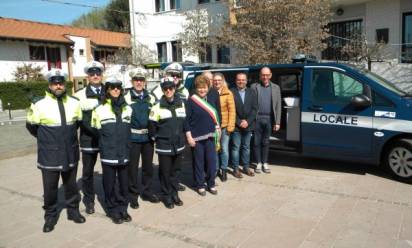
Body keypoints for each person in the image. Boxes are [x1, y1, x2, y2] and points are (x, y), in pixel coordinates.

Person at [26, 69, 85, 233]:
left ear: (64, 84)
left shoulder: (74, 102)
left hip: (70, 152)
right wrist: (47, 140)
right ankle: (50, 216)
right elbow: (31, 127)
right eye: (54, 83)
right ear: (49, 85)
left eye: (60, 82)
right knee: (50, 188)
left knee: (71, 185)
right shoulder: (38, 104)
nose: (58, 86)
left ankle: (73, 212)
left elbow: (77, 124)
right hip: (49, 154)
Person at [91, 77, 132, 224]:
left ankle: (123, 208)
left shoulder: (128, 108)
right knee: (109, 184)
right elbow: (95, 130)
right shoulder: (99, 109)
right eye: (112, 87)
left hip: (125, 153)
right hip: (109, 154)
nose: (116, 90)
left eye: (118, 87)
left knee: (124, 183)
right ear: (107, 90)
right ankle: (112, 210)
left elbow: (129, 130)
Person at [124, 68, 160, 209]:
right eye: (136, 80)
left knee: (147, 167)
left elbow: (156, 116)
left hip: (148, 138)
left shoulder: (151, 97)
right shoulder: (126, 97)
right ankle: (133, 195)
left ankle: (147, 191)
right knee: (132, 168)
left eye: (141, 80)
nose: (139, 82)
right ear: (132, 81)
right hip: (133, 138)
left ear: (145, 82)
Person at [149, 77, 186, 209]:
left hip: (179, 144)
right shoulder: (157, 107)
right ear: (163, 90)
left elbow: (184, 123)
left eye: (171, 88)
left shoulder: (181, 103)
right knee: (165, 172)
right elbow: (152, 126)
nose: (168, 90)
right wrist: (158, 138)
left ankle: (175, 193)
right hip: (164, 145)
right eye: (166, 89)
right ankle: (167, 196)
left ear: (175, 89)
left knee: (176, 171)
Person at [74, 61, 105, 215]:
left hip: (107, 140)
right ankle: (89, 201)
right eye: (92, 74)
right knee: (87, 173)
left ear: (101, 75)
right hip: (88, 140)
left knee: (110, 171)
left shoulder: (111, 91)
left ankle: (109, 197)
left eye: (98, 73)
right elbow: (76, 121)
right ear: (88, 76)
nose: (95, 76)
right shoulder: (79, 95)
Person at [185, 75, 219, 196]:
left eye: (204, 87)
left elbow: (215, 116)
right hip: (197, 138)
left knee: (211, 162)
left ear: (208, 88)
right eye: (199, 88)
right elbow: (186, 120)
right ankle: (200, 185)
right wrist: (189, 137)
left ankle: (211, 183)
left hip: (210, 136)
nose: (202, 90)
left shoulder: (210, 100)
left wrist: (217, 130)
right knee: (199, 163)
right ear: (196, 88)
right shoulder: (191, 101)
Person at [251, 67, 281, 173]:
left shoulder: (276, 88)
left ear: (270, 75)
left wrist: (277, 122)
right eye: (263, 75)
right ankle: (258, 163)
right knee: (256, 142)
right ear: (260, 76)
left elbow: (278, 106)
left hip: (269, 119)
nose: (265, 77)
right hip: (257, 118)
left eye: (267, 75)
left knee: (266, 142)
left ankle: (265, 162)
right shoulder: (254, 87)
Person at [230, 73, 258, 177]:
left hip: (248, 125)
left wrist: (247, 121)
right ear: (236, 81)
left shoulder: (252, 92)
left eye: (243, 80)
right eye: (239, 80)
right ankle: (235, 169)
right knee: (235, 148)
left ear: (246, 81)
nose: (241, 82)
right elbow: (230, 110)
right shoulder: (231, 92)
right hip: (236, 125)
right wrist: (239, 122)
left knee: (246, 147)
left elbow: (255, 109)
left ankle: (246, 167)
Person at [212, 73, 235, 182]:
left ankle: (224, 170)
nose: (217, 82)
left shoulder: (228, 93)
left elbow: (232, 111)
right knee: (216, 149)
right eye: (215, 80)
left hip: (225, 126)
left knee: (224, 149)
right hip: (214, 127)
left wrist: (230, 126)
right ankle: (216, 169)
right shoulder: (210, 92)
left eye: (219, 80)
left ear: (222, 81)